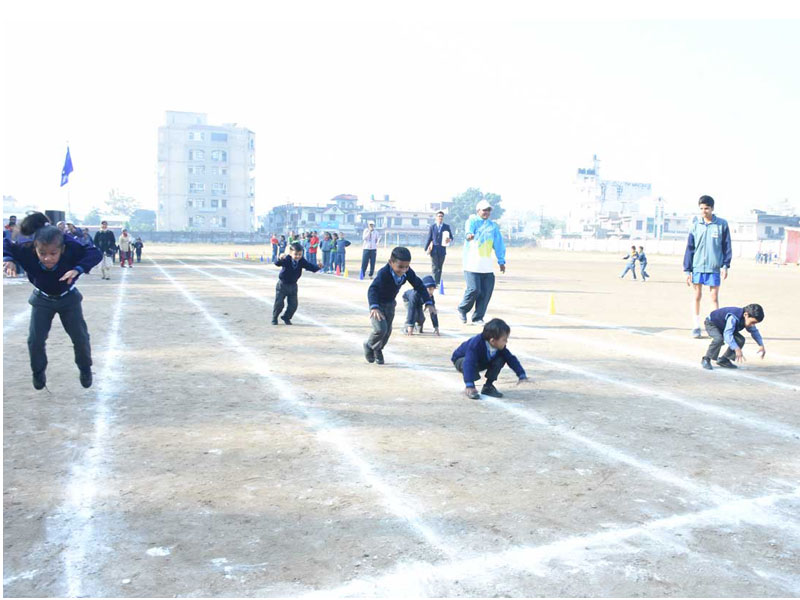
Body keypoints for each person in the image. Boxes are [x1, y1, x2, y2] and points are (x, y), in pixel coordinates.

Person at [3, 212, 102, 390]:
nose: (47, 258)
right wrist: (8, 259)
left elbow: (95, 253)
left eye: (53, 253)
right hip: (42, 299)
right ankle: (38, 372)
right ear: (35, 248)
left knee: (80, 337)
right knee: (35, 340)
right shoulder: (26, 250)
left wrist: (78, 269)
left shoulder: (70, 247)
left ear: (62, 250)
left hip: (68, 299)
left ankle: (85, 368)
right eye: (42, 253)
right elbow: (6, 243)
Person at [364, 246, 436, 365]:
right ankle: (369, 345)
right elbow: (373, 289)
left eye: (406, 267)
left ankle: (378, 349)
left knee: (387, 332)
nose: (403, 270)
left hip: (390, 304)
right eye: (400, 267)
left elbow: (419, 285)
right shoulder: (384, 273)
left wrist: (428, 302)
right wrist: (374, 306)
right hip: (378, 305)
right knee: (380, 329)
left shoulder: (407, 272)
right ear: (391, 262)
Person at [684, 195, 732, 338]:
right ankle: (696, 326)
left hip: (714, 267)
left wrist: (725, 265)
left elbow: (726, 246)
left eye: (706, 208)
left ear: (712, 208)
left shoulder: (722, 224)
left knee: (714, 298)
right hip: (697, 267)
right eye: (701, 209)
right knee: (697, 295)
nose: (704, 211)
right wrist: (687, 270)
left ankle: (715, 327)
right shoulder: (695, 225)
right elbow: (690, 248)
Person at [451, 318, 531, 399]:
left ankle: (488, 387)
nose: (506, 342)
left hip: (481, 361)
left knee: (501, 358)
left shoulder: (499, 346)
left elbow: (511, 359)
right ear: (492, 341)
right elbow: (469, 363)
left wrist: (522, 375)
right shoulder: (475, 344)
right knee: (467, 362)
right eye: (504, 339)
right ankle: (471, 388)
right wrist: (469, 385)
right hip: (461, 361)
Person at [458, 199, 506, 325]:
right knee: (474, 289)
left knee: (486, 292)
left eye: (488, 210)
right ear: (478, 211)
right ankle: (463, 309)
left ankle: (478, 317)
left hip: (486, 266)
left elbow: (499, 244)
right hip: (472, 264)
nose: (487, 212)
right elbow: (469, 231)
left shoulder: (493, 226)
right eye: (484, 210)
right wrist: (469, 235)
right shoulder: (472, 221)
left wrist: (501, 261)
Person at [701, 303, 765, 370]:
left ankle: (724, 360)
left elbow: (754, 332)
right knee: (718, 339)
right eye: (752, 322)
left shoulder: (747, 318)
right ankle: (706, 359)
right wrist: (736, 348)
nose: (752, 325)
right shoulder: (733, 317)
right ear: (746, 315)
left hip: (724, 326)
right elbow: (727, 334)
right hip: (712, 324)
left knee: (740, 340)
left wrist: (761, 345)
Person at [271, 242, 321, 325]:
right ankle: (274, 317)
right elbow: (277, 263)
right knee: (279, 304)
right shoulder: (286, 259)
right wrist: (280, 258)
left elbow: (310, 267)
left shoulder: (301, 261)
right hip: (282, 285)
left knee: (293, 305)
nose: (298, 256)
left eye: (300, 254)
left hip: (293, 286)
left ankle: (286, 317)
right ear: (290, 253)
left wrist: (318, 267)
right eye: (296, 254)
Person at [424, 211, 454, 287]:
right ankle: (434, 282)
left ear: (443, 218)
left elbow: (451, 237)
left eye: (441, 216)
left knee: (440, 267)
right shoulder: (432, 227)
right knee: (434, 266)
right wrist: (426, 248)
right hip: (434, 249)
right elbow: (429, 238)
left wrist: (449, 239)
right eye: (439, 216)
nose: (440, 217)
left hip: (442, 250)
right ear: (436, 217)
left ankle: (437, 282)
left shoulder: (446, 227)